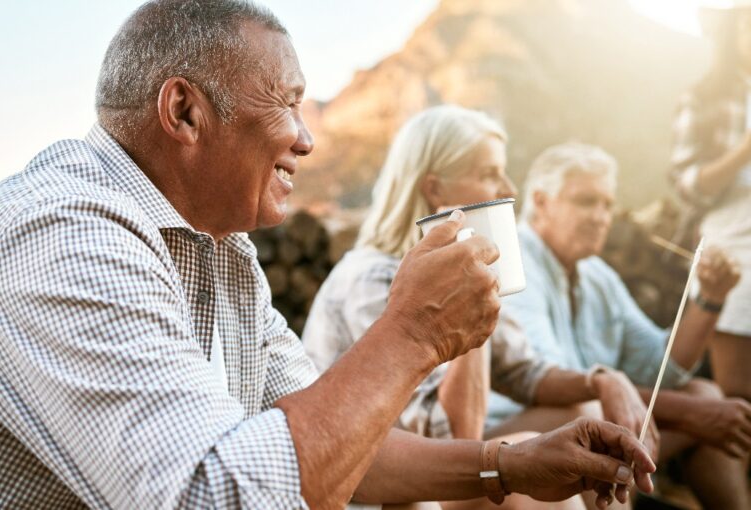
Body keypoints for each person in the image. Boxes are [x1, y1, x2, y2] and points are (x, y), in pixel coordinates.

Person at [0, 2, 657, 509]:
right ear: (185, 112)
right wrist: (413, 332)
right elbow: (214, 496)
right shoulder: (60, 234)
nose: (307, 140)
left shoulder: (224, 251)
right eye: (288, 103)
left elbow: (335, 442)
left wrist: (509, 465)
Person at [303, 106, 656, 510]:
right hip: (378, 491)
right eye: (489, 174)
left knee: (588, 422)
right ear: (435, 190)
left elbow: (524, 373)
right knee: (530, 468)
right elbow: (455, 437)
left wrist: (602, 379)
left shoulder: (453, 273)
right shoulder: (374, 280)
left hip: (432, 471)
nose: (508, 188)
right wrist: (477, 299)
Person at [499, 142, 750, 509]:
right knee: (591, 421)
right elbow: (557, 385)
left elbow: (661, 366)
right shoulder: (516, 265)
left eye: (607, 204)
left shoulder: (595, 273)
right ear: (540, 201)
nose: (601, 216)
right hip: (512, 433)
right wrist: (690, 414)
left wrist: (709, 298)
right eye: (586, 201)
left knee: (705, 395)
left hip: (585, 414)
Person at [670, 0, 751, 403]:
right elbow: (688, 186)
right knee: (738, 390)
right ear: (733, 36)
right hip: (735, 243)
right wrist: (744, 150)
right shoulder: (707, 98)